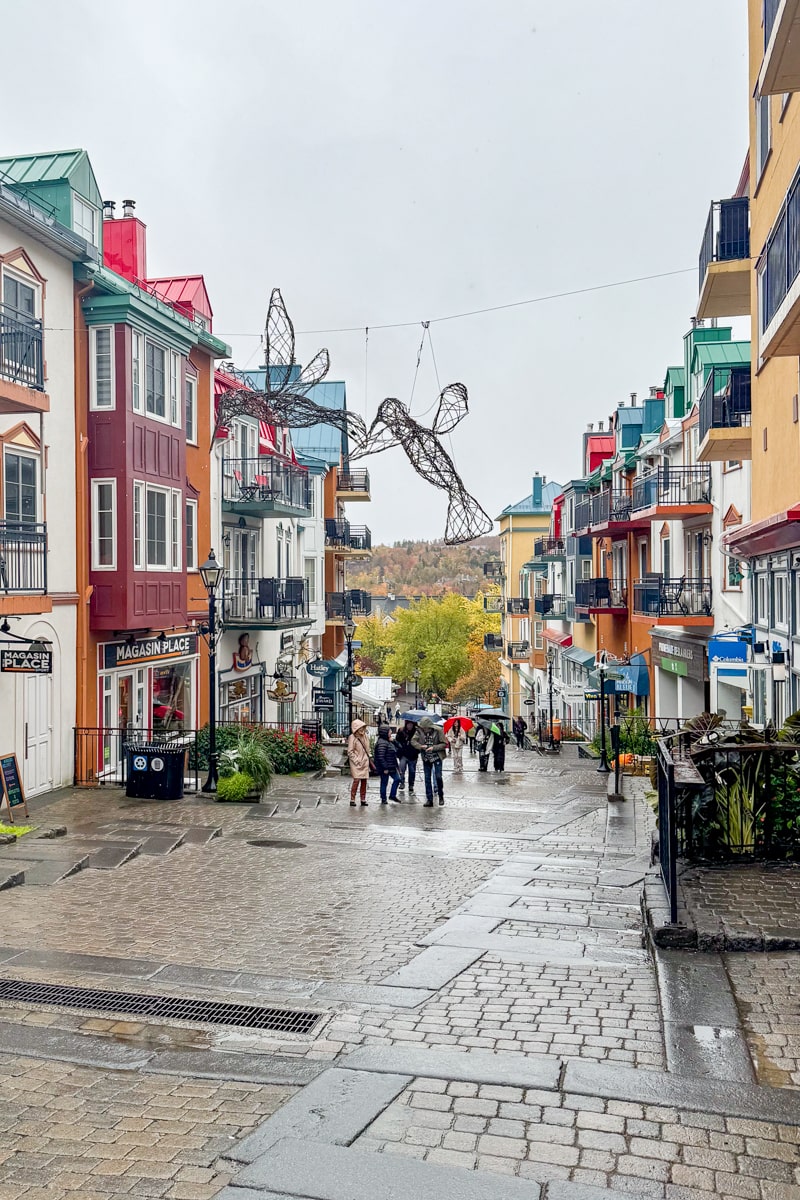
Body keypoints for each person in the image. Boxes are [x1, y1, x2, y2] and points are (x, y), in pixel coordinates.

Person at [412, 716, 447, 806]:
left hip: (437, 756)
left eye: (425, 728)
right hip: (426, 757)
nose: (424, 730)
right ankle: (429, 799)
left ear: (429, 727)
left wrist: (434, 748)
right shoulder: (419, 731)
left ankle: (441, 795)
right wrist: (420, 746)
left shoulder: (438, 730)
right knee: (427, 778)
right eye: (423, 728)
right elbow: (413, 741)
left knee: (438, 777)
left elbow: (444, 744)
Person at [373, 725, 402, 803]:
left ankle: (392, 795)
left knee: (397, 779)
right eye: (389, 731)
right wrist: (385, 768)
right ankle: (383, 798)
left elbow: (399, 747)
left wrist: (394, 741)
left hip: (392, 765)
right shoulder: (382, 743)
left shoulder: (388, 741)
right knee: (384, 782)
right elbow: (380, 756)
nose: (391, 732)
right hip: (385, 767)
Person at [347, 718, 371, 807]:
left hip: (364, 762)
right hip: (356, 763)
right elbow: (350, 751)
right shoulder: (352, 737)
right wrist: (356, 760)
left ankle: (363, 799)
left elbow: (367, 748)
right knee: (356, 780)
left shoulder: (365, 736)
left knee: (364, 781)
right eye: (360, 727)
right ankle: (352, 799)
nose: (362, 729)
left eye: (363, 727)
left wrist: (368, 757)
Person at [395, 720, 419, 796]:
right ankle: (402, 783)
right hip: (403, 754)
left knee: (412, 771)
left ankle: (411, 785)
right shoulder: (401, 731)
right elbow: (397, 741)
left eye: (411, 724)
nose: (410, 726)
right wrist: (399, 750)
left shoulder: (416, 732)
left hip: (413, 755)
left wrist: (417, 751)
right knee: (401, 769)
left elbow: (419, 743)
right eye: (408, 724)